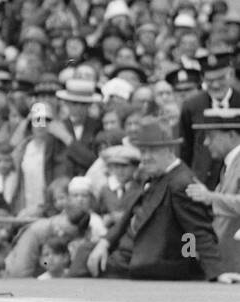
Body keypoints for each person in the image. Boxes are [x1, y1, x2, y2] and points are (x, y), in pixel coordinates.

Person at [86, 121, 239, 282]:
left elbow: (198, 231)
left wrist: (215, 272)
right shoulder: (155, 174)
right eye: (143, 151)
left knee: (83, 260)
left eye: (152, 151)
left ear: (169, 150)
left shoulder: (182, 183)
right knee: (85, 251)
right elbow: (128, 216)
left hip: (147, 263)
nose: (145, 158)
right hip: (126, 255)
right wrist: (105, 241)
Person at [183, 108, 240, 275]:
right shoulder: (230, 164)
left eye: (211, 136)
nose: (206, 143)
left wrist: (210, 197)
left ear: (231, 135)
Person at [179, 50, 240, 188]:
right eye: (210, 80)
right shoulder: (192, 106)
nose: (216, 85)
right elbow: (186, 149)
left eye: (221, 78)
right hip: (201, 182)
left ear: (231, 75)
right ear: (203, 80)